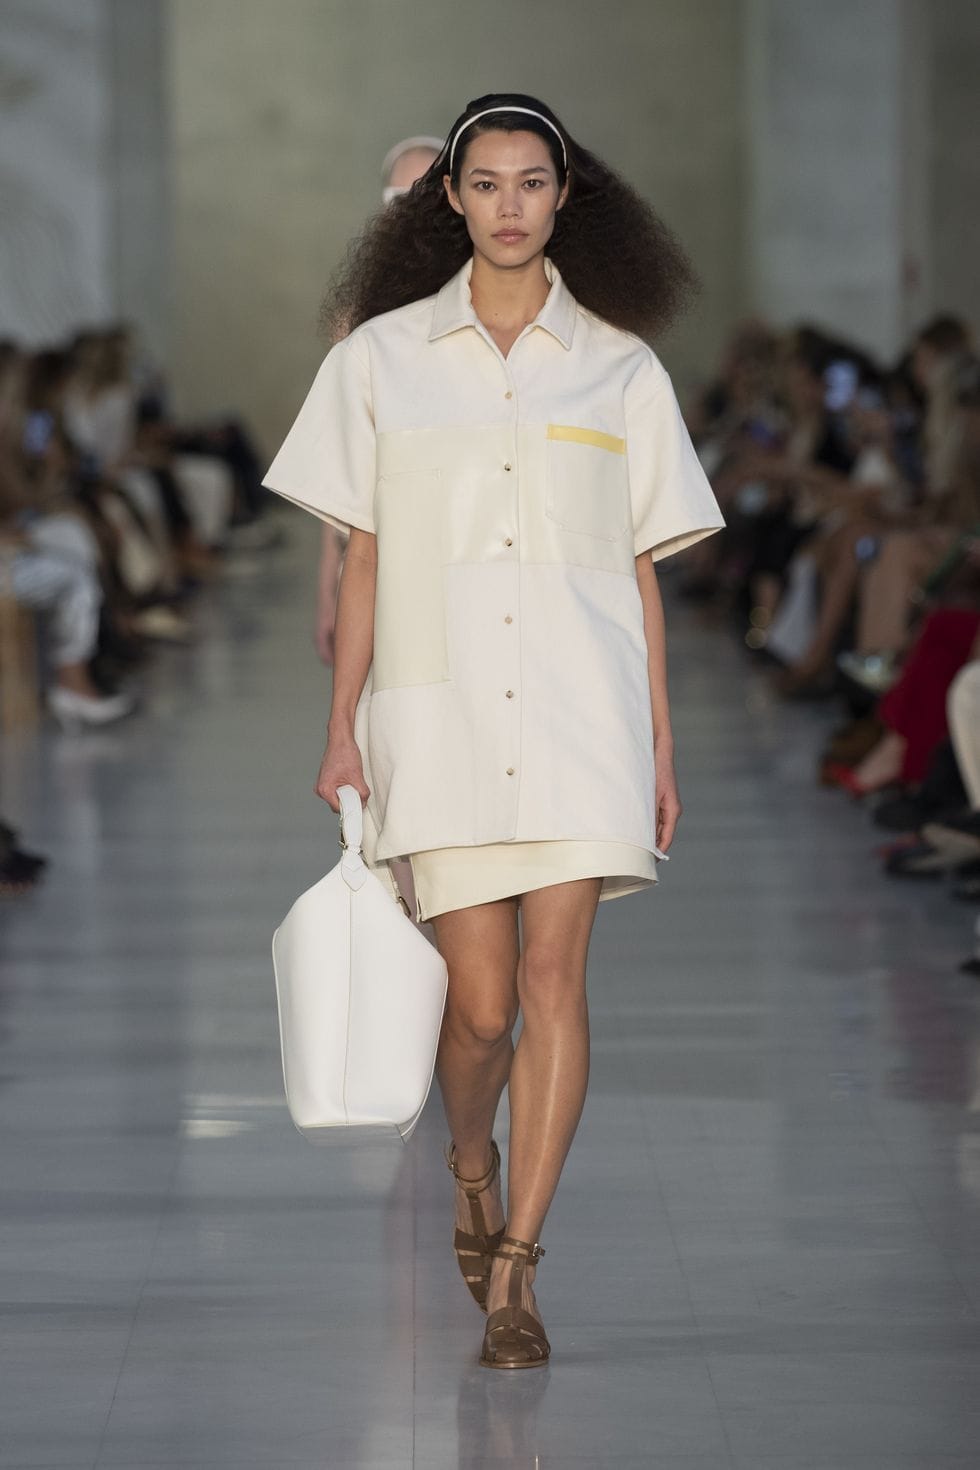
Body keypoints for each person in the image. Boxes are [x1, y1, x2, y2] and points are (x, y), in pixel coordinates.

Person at [263, 92, 724, 1370]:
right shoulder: (381, 361)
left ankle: (518, 1265)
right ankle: (471, 1160)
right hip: (440, 712)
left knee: (550, 981)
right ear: (450, 200)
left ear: (565, 196)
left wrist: (659, 745)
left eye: (531, 182)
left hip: (583, 715)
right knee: (475, 1011)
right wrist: (342, 728)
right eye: (485, 183)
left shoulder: (620, 366)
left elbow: (638, 571)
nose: (508, 206)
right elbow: (362, 557)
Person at [313, 134, 444, 666]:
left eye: (429, 191)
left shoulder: (500, 297)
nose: (414, 207)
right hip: (380, 553)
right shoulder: (359, 316)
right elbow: (341, 459)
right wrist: (328, 589)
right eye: (399, 196)